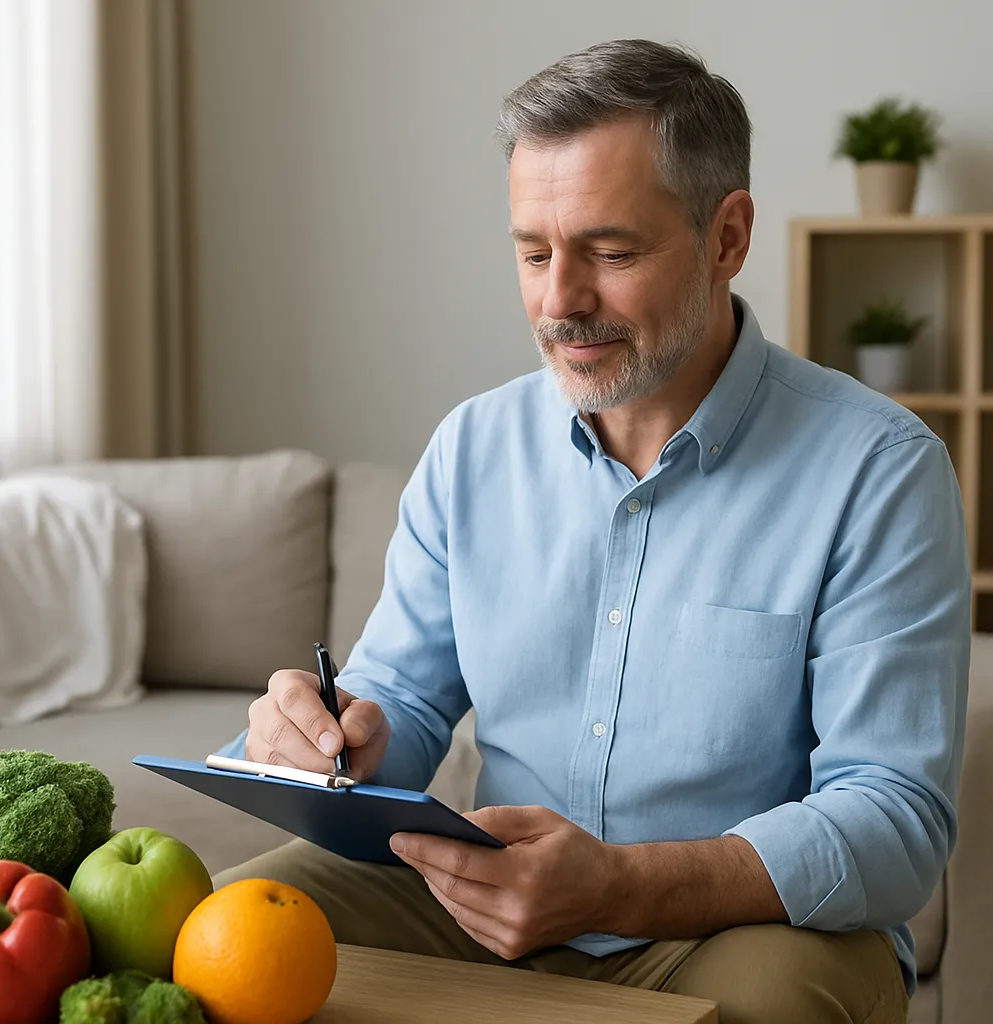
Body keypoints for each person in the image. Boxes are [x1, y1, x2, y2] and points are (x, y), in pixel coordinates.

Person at [215, 38, 970, 1024]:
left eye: (609, 253)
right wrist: (327, 739)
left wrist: (619, 884)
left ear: (727, 236)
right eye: (533, 253)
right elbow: (401, 691)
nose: (559, 300)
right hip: (476, 900)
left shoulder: (879, 469)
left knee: (773, 1004)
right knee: (226, 930)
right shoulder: (471, 447)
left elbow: (893, 820)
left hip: (737, 928)